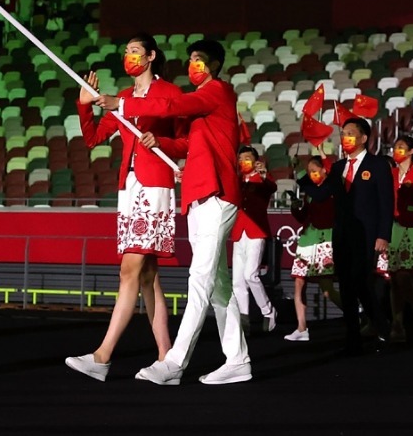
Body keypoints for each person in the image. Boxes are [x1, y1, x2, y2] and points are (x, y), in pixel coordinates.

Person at [95, 38, 249, 385]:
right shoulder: (200, 111)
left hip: (218, 194)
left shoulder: (218, 92)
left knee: (200, 280)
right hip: (197, 196)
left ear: (215, 66)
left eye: (200, 60)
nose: (193, 65)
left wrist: (121, 102)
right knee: (219, 286)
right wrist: (163, 146)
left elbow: (169, 106)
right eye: (191, 59)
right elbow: (191, 146)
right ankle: (238, 359)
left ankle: (174, 361)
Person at [65, 34, 187, 381]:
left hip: (156, 186)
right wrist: (84, 105)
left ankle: (102, 356)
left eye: (135, 51)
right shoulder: (121, 98)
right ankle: (167, 358)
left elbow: (186, 140)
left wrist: (161, 141)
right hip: (129, 188)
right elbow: (93, 139)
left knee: (128, 271)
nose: (128, 56)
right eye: (126, 51)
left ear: (151, 56)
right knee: (148, 278)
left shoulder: (170, 95)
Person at [299, 118, 394, 355]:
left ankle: (382, 327)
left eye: (351, 133)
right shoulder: (339, 167)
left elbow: (386, 202)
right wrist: (302, 177)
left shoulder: (378, 165)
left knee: (361, 283)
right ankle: (353, 338)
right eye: (343, 134)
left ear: (363, 138)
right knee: (347, 286)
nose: (345, 138)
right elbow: (321, 195)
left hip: (367, 235)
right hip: (342, 233)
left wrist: (383, 235)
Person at [380, 136, 413, 343]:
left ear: (412, 152)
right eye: (395, 147)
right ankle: (397, 324)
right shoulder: (391, 174)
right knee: (394, 279)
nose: (397, 150)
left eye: (402, 147)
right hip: (394, 229)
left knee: (404, 277)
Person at [286, 156, 341, 341]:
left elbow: (320, 196)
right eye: (309, 172)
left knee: (327, 289)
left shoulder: (332, 187)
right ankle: (302, 328)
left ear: (325, 170)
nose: (312, 174)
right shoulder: (309, 191)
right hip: (307, 240)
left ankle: (356, 316)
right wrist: (295, 207)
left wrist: (300, 174)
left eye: (314, 170)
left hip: (324, 241)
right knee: (299, 282)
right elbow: (304, 217)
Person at [231, 146, 277, 334]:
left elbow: (270, 187)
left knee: (251, 275)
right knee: (237, 281)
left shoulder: (262, 179)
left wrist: (264, 174)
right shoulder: (237, 181)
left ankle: (268, 311)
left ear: (256, 160)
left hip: (256, 233)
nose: (244, 162)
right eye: (241, 159)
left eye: (248, 158)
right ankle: (244, 320)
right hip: (238, 233)